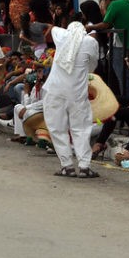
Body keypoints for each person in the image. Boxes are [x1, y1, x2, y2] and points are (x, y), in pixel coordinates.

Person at [43, 21, 100, 178]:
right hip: (77, 91)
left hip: (55, 90)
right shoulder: (90, 42)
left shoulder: (62, 35)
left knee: (57, 128)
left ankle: (67, 166)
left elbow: (49, 28)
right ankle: (84, 167)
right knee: (81, 128)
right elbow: (92, 66)